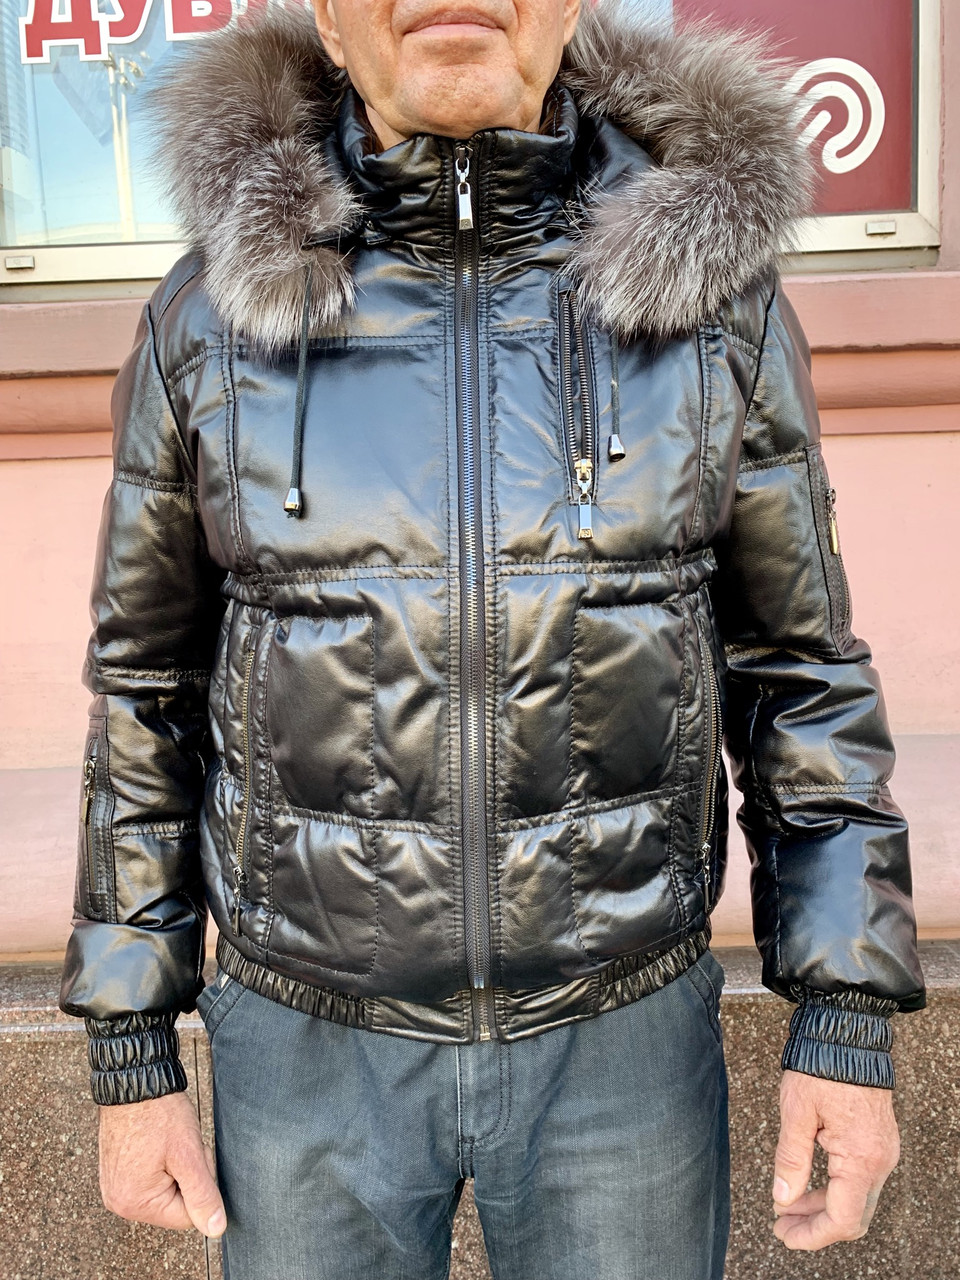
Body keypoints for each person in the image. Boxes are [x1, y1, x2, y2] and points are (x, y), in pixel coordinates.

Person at [59, 1, 926, 1276]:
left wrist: (846, 1018)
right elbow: (147, 689)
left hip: (621, 1039)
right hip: (305, 1050)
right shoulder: (211, 313)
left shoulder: (710, 302)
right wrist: (131, 1048)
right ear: (329, 21)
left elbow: (798, 669)